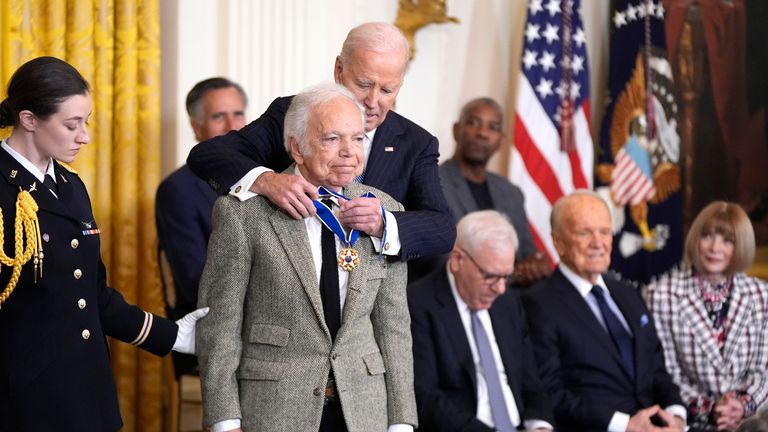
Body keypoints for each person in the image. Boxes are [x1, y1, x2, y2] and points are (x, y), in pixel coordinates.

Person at [0, 56, 207, 431]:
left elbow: (91, 295)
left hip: (86, 394)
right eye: (71, 124)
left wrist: (172, 334)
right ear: (29, 119)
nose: (85, 136)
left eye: (86, 122)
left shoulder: (71, 186)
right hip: (23, 401)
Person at [196, 83, 417, 432]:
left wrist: (402, 421)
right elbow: (219, 324)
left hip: (364, 410)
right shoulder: (243, 213)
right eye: (332, 139)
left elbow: (393, 325)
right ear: (297, 148)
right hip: (274, 411)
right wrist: (224, 419)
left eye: (357, 139)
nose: (349, 152)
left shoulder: (384, 210)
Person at [186, 21, 455, 263]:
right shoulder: (292, 114)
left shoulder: (416, 143)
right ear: (339, 69)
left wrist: (383, 224)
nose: (373, 102)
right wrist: (268, 181)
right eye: (363, 84)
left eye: (386, 90)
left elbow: (442, 228)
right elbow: (207, 154)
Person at [522, 189, 686, 432]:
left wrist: (676, 416)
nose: (598, 242)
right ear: (558, 242)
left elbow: (656, 368)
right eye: (584, 232)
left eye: (604, 232)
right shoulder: (537, 303)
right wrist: (624, 425)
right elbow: (549, 392)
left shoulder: (627, 293)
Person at [408, 210, 555, 431]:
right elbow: (426, 400)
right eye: (490, 276)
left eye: (507, 276)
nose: (501, 288)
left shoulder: (508, 304)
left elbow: (531, 382)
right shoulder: (418, 304)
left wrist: (540, 425)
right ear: (457, 259)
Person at [647, 201, 768, 432]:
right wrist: (712, 409)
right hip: (691, 421)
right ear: (695, 239)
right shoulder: (661, 294)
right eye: (707, 236)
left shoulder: (761, 295)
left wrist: (743, 405)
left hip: (753, 420)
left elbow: (764, 371)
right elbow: (667, 372)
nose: (715, 247)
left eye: (727, 240)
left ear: (740, 245)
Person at [155, 77, 247, 377]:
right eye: (218, 116)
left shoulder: (271, 179)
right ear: (196, 127)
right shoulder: (177, 190)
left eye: (238, 114)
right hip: (213, 334)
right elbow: (196, 282)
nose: (232, 126)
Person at [436, 97, 550, 285]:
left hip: (510, 303)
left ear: (500, 140)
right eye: (473, 123)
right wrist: (515, 275)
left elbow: (527, 255)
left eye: (493, 127)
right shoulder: (434, 182)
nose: (482, 133)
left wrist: (537, 264)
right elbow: (439, 261)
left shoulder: (512, 193)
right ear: (457, 130)